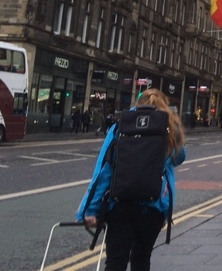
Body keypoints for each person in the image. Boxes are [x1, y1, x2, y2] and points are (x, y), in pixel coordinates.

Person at [76, 89, 186, 271]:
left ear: (138, 104)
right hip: (153, 208)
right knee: (141, 260)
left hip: (120, 205)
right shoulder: (169, 130)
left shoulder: (120, 127)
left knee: (115, 263)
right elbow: (180, 157)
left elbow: (104, 170)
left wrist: (89, 210)